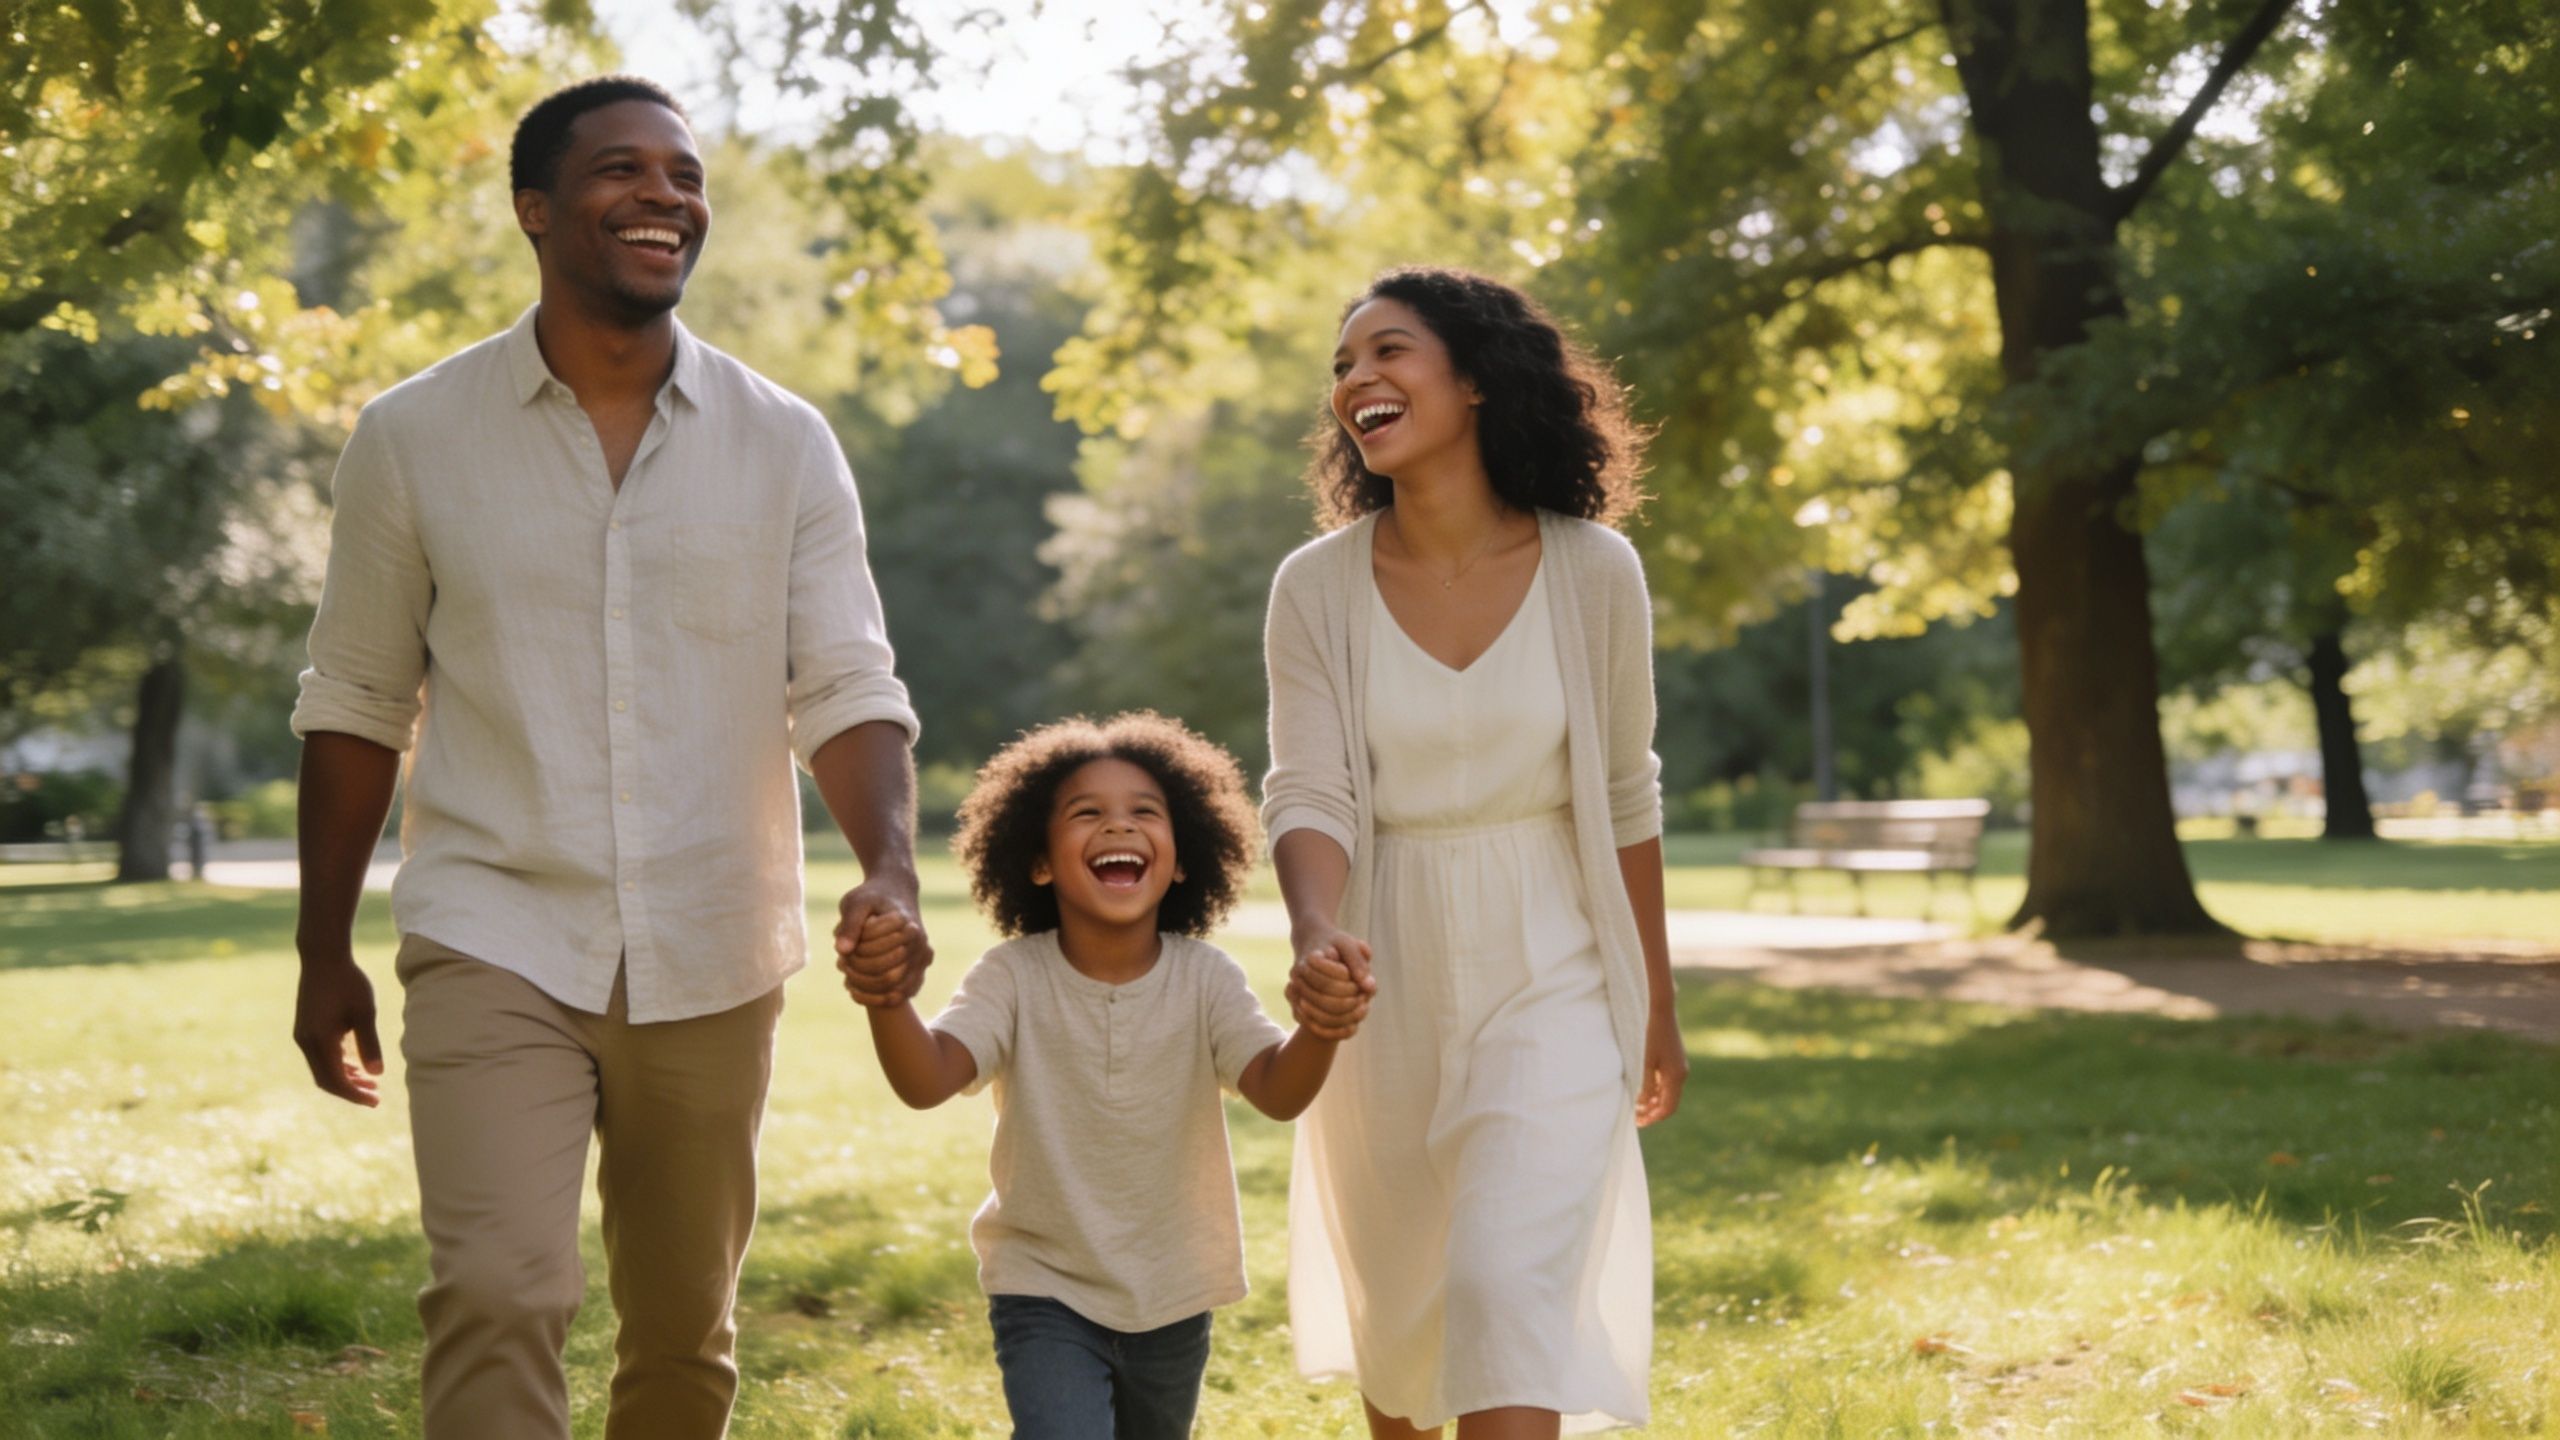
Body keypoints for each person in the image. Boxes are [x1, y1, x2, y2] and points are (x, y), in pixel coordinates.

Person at [287, 75, 928, 1439]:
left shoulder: (786, 442)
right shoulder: (413, 438)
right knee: (499, 1290)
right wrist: (321, 946)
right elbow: (354, 696)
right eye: (624, 170)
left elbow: (847, 680)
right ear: (535, 208)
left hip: (712, 936)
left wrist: (889, 869)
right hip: (493, 927)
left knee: (683, 1340)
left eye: (685, 177)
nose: (667, 198)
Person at [1266, 266, 1688, 1437]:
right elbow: (1309, 786)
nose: (1357, 381)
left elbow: (1622, 794)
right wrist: (1316, 937)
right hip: (1381, 968)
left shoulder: (1594, 570)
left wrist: (1652, 998)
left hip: (1552, 954)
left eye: (1388, 352)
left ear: (1475, 380)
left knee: (1505, 1291)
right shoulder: (1316, 587)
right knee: (1402, 1328)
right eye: (1343, 366)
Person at [861, 712, 1366, 1439]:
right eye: (1087, 813)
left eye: (1144, 813)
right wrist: (887, 997)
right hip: (1044, 1287)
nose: (1118, 827)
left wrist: (1322, 1028)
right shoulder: (1013, 977)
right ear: (1038, 861)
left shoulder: (1205, 979)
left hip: (1175, 1291)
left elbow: (1278, 1092)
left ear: (1183, 858)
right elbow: (927, 1078)